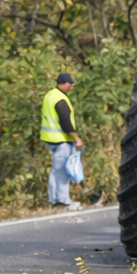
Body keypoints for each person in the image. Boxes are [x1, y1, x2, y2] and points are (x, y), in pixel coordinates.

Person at [40, 72, 84, 210]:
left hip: (49, 139)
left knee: (55, 171)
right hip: (61, 140)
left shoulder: (49, 95)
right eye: (70, 84)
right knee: (62, 172)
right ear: (64, 83)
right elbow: (65, 123)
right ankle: (63, 200)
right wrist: (76, 139)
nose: (71, 87)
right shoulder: (61, 99)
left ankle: (54, 200)